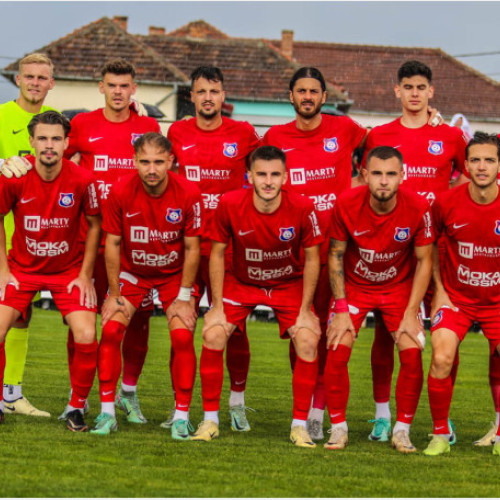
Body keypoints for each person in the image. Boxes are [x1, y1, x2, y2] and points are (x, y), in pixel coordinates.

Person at [360, 60, 468, 443]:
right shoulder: (380, 135)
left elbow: (473, 179)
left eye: (421, 87)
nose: (415, 93)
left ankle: (444, 417)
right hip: (394, 249)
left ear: (431, 92)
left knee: (443, 335)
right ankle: (382, 415)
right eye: (408, 87)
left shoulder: (451, 137)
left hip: (438, 251)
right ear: (397, 92)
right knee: (386, 335)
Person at [261, 67, 367, 440]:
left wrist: (436, 123)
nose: (307, 96)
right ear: (291, 97)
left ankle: (319, 413)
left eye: (314, 91)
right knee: (302, 333)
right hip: (294, 253)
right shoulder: (275, 136)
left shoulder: (346, 130)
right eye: (301, 91)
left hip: (337, 253)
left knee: (333, 336)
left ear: (324, 97)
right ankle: (304, 410)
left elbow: (384, 146)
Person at [193, 145, 323, 447]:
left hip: (286, 284)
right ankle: (210, 420)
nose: (268, 181)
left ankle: (300, 426)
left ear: (285, 176)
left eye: (275, 174)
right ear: (249, 175)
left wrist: (306, 309)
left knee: (307, 339)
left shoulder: (303, 207)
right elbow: (217, 252)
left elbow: (313, 257)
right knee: (213, 334)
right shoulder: (229, 203)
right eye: (261, 174)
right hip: (243, 282)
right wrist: (215, 306)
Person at [60, 58, 161, 423]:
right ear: (100, 87)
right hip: (90, 244)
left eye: (125, 85)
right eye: (112, 85)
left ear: (134, 89)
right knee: (82, 322)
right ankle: (79, 397)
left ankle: (128, 394)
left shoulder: (148, 127)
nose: (118, 92)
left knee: (137, 324)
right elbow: (59, 164)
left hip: (137, 248)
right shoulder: (82, 125)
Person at [167, 66, 260, 431]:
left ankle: (236, 403)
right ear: (191, 96)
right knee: (182, 326)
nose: (208, 97)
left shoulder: (244, 134)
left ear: (224, 96)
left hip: (229, 248)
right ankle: (181, 408)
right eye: (201, 91)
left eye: (214, 91)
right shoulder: (176, 132)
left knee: (235, 328)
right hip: (187, 246)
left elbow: (272, 164)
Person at [91, 132, 203, 438]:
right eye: (144, 162)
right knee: (112, 329)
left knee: (182, 335)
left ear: (170, 161)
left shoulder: (189, 193)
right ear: (134, 162)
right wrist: (114, 293)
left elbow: (193, 248)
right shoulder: (120, 191)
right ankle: (106, 413)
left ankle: (181, 416)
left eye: (157, 162)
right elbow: (112, 243)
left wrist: (184, 296)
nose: (151, 169)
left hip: (173, 275)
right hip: (133, 273)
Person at [324, 146, 434, 452]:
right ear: (364, 175)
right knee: (337, 345)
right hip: (357, 287)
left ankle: (402, 430)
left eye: (390, 174)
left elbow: (425, 260)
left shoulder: (417, 206)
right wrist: (342, 309)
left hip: (398, 289)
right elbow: (335, 256)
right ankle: (338, 428)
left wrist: (413, 312)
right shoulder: (345, 203)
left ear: (402, 176)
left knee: (412, 350)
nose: (383, 181)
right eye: (376, 174)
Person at [0, 111, 101, 431]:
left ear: (66, 143)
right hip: (21, 269)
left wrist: (85, 275)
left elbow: (96, 224)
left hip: (67, 271)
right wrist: (2, 271)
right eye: (42, 138)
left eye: (56, 139)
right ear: (31, 142)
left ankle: (75, 408)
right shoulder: (14, 176)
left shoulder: (82, 179)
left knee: (86, 334)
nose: (49, 145)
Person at [423, 132, 500, 456]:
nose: (482, 166)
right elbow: (429, 247)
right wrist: (439, 291)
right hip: (456, 298)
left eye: (490, 160)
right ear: (465, 164)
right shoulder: (445, 202)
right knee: (441, 357)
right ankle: (440, 434)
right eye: (476, 160)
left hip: (497, 302)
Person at [0, 53, 56, 417]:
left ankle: (11, 392)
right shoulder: (2, 116)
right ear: (17, 79)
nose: (35, 82)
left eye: (42, 78)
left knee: (21, 316)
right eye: (29, 76)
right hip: (0, 235)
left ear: (52, 83)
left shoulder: (54, 124)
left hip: (31, 242)